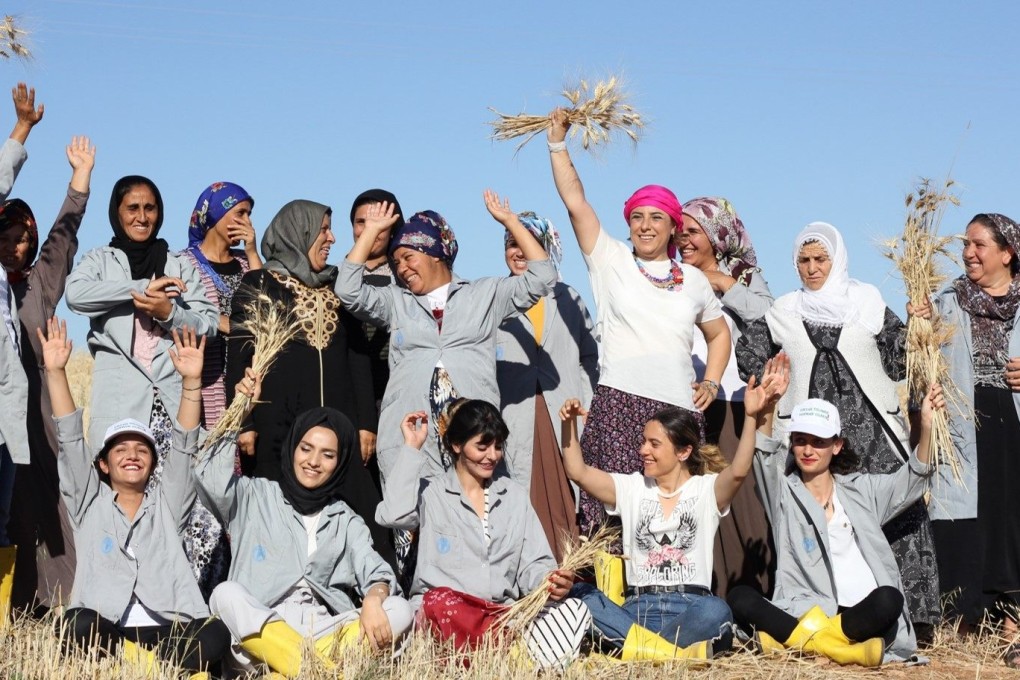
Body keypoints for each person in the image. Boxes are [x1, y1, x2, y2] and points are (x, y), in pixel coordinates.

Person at [735, 222, 940, 634]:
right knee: (820, 525)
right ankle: (826, 616)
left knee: (899, 514)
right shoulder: (784, 312)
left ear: (838, 259)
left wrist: (920, 325)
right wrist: (772, 378)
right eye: (803, 260)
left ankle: (913, 619)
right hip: (813, 435)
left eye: (820, 259)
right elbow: (747, 355)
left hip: (874, 433)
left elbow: (901, 362)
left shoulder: (868, 304)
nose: (812, 268)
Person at [544, 109, 731, 537]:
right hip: (618, 405)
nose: (645, 226)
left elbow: (719, 334)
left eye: (656, 217)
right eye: (637, 217)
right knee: (611, 522)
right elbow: (576, 203)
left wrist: (712, 381)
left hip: (677, 411)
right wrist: (557, 144)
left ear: (673, 228)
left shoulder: (694, 281)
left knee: (674, 520)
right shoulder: (611, 261)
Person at [559, 359, 786, 661]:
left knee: (716, 610)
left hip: (691, 607)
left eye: (654, 444)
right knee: (580, 595)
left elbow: (739, 471)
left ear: (683, 452)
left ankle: (641, 652)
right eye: (643, 442)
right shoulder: (632, 487)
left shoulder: (705, 490)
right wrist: (568, 425)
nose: (643, 450)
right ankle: (673, 655)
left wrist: (751, 416)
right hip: (637, 610)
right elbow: (578, 472)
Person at [43, 318, 229, 676]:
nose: (132, 455)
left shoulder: (168, 504)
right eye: (121, 450)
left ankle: (144, 665)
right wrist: (55, 372)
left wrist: (191, 382)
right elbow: (70, 440)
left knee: (216, 633)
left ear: (153, 464)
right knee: (76, 624)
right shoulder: (88, 503)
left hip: (168, 630)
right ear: (103, 464)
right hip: (109, 629)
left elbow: (184, 446)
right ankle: (156, 668)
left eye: (142, 450)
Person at [198, 370, 412, 678]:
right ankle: (316, 670)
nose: (313, 461)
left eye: (328, 455)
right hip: (258, 632)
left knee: (399, 610)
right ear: (293, 448)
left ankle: (292, 670)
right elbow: (209, 477)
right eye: (306, 448)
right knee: (225, 595)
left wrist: (374, 598)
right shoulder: (256, 495)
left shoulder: (344, 518)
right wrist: (240, 412)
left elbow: (377, 572)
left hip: (320, 630)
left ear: (339, 463)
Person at [335, 191, 556, 487]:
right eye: (396, 262)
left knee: (476, 512)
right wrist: (372, 231)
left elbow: (542, 276)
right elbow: (347, 290)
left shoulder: (484, 295)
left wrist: (511, 223)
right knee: (411, 513)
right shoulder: (396, 302)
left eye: (408, 257)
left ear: (436, 254)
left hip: (473, 441)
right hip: (411, 442)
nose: (402, 268)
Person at [728, 367, 942, 666]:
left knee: (889, 599)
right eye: (800, 440)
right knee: (739, 597)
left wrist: (927, 426)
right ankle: (840, 649)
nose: (808, 450)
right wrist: (767, 409)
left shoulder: (860, 489)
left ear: (837, 446)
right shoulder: (783, 494)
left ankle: (805, 644)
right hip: (807, 613)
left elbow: (913, 480)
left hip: (860, 615)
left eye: (819, 442)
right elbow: (763, 457)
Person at [225, 199, 393, 569]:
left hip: (340, 424)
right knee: (276, 513)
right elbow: (239, 356)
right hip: (276, 427)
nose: (331, 238)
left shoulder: (338, 288)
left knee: (362, 511)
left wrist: (366, 423)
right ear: (298, 233)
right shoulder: (260, 284)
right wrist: (244, 422)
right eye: (323, 230)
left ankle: (372, 587)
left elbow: (358, 357)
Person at [375, 400, 591, 670]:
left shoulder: (513, 496)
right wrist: (411, 448)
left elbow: (534, 563)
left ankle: (497, 655)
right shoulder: (430, 493)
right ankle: (505, 657)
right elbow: (393, 516)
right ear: (456, 445)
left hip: (502, 616)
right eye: (482, 446)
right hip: (447, 616)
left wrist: (549, 581)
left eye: (498, 446)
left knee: (574, 609)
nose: (492, 456)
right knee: (438, 604)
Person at [909, 213, 1020, 667]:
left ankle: (1013, 626)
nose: (968, 253)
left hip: (1013, 422)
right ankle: (964, 624)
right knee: (964, 518)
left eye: (979, 245)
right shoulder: (947, 302)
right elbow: (921, 364)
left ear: (1007, 254)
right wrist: (919, 330)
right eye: (965, 245)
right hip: (961, 424)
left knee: (1011, 518)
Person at [3, 136, 94, 615]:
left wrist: (80, 179)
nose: (14, 246)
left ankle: (63, 602)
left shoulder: (38, 284)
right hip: (2, 416)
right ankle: (14, 606)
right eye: (5, 237)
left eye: (22, 238)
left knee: (56, 504)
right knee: (8, 509)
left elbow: (63, 239)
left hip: (39, 411)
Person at [678, 197, 776, 598]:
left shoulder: (744, 277)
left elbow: (773, 318)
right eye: (679, 232)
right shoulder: (673, 277)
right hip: (689, 404)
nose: (683, 240)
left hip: (737, 404)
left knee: (744, 498)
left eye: (693, 231)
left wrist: (724, 284)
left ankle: (754, 594)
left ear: (717, 235)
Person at [496, 211, 598, 561]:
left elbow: (589, 357)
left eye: (529, 243)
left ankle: (572, 574)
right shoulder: (496, 298)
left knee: (570, 496)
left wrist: (588, 404)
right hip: (516, 416)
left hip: (565, 414)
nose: (519, 251)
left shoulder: (569, 298)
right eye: (512, 243)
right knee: (521, 496)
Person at [176, 181, 261, 597]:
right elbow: (174, 317)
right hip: (202, 389)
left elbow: (268, 306)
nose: (245, 221)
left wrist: (254, 251)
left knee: (237, 495)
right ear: (213, 213)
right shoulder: (182, 264)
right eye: (238, 213)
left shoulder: (247, 266)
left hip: (243, 392)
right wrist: (221, 325)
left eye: (249, 214)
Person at [0, 82, 44, 622]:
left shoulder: (8, 287)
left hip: (5, 425)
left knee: (1, 522)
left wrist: (25, 127)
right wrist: (19, 132)